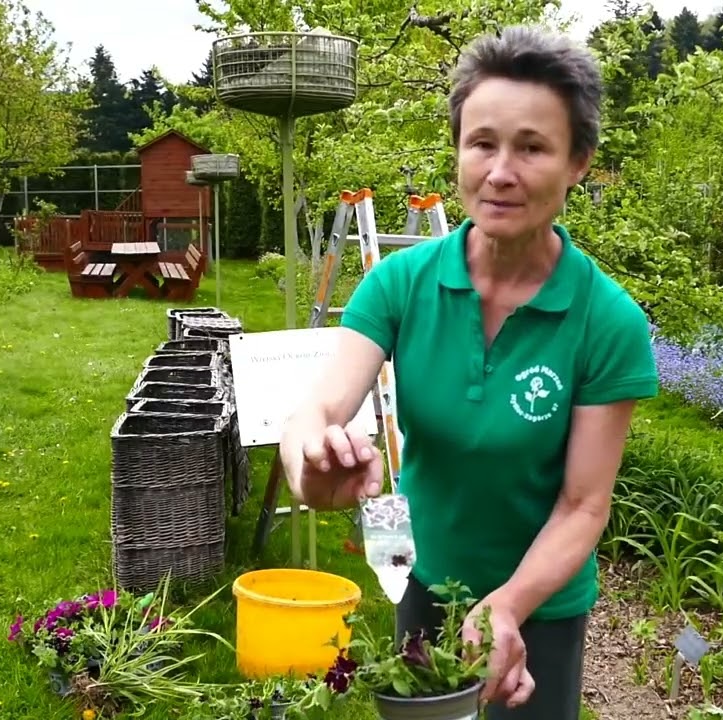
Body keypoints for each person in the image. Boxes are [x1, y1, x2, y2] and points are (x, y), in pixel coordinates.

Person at [277, 24, 659, 720]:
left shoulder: (608, 322)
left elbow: (584, 506)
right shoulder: (400, 285)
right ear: (457, 150)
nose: (500, 171)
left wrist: (508, 607)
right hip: (424, 580)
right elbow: (319, 411)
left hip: (540, 603)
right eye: (482, 142)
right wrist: (310, 463)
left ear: (579, 162)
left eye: (533, 147)